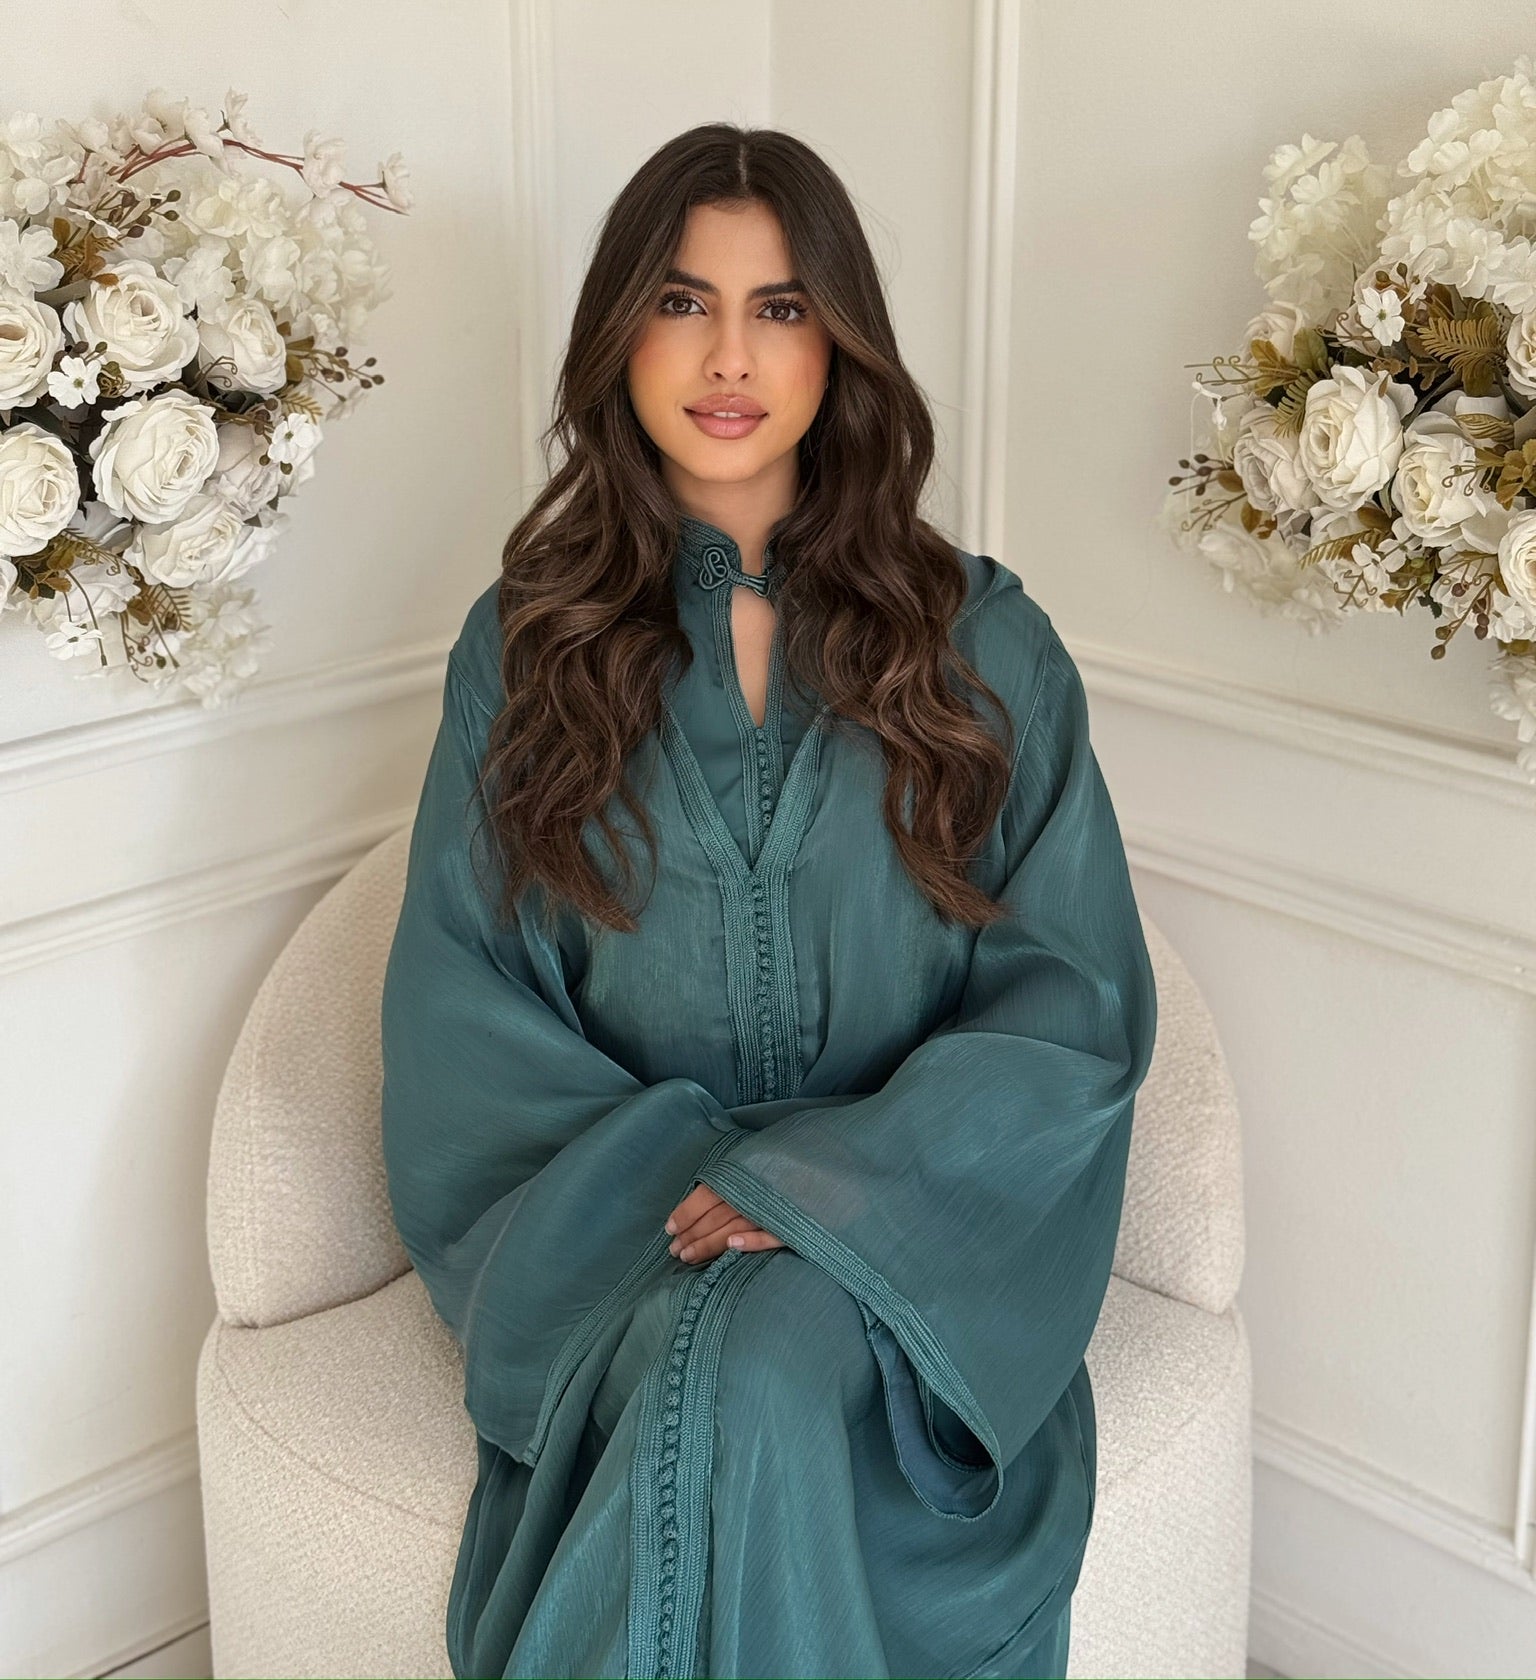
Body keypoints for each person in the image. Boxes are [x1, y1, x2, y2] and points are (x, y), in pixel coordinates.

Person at [379, 123, 1157, 1680]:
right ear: (621, 333)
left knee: (763, 1371)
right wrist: (699, 1184)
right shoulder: (525, 649)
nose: (729, 356)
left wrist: (823, 1188)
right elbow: (464, 1007)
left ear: (838, 342)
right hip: (618, 1224)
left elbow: (1070, 1003)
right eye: (683, 302)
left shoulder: (984, 647)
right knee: (714, 1365)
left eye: (781, 307)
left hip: (911, 1227)